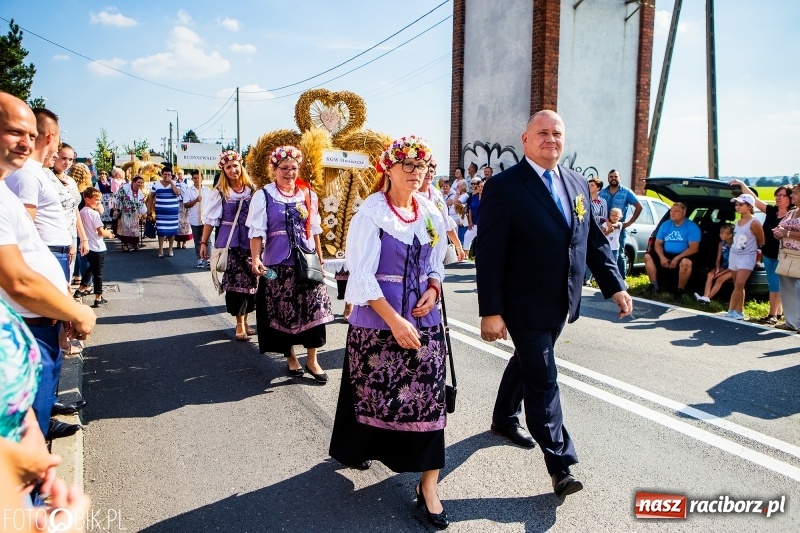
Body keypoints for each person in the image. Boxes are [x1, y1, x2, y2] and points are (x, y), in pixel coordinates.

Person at [476, 110, 631, 498]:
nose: (551, 139)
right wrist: (490, 310)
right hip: (522, 301)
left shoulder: (577, 184)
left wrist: (616, 285)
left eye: (557, 133)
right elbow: (490, 254)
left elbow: (591, 239)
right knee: (544, 377)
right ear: (526, 140)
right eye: (542, 132)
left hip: (562, 300)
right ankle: (560, 464)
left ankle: (503, 418)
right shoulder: (506, 187)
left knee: (528, 362)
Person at [329, 135, 450, 529]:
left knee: (430, 400)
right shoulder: (372, 213)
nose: (417, 174)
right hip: (379, 320)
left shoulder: (430, 212)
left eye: (422, 167)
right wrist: (394, 321)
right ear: (390, 169)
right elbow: (361, 275)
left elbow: (436, 262)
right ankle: (357, 446)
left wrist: (433, 288)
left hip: (425, 321)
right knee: (372, 394)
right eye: (408, 166)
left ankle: (428, 486)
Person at [0, 92, 96, 439]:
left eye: (31, 134)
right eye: (15, 132)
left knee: (33, 436)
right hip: (24, 325)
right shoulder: (20, 181)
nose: (27, 143)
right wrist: (77, 310)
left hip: (35, 320)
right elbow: (18, 278)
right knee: (24, 445)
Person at [248, 145, 334, 380]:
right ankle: (291, 357)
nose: (289, 172)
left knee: (313, 310)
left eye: (293, 168)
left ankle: (313, 361)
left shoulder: (308, 194)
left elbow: (314, 228)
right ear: (273, 169)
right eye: (284, 168)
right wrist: (256, 258)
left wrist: (319, 255)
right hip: (277, 263)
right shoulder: (263, 195)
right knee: (282, 312)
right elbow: (256, 232)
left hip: (305, 261)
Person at [5, 107, 73, 280]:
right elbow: (25, 228)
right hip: (48, 254)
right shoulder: (27, 172)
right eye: (58, 137)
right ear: (51, 137)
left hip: (54, 253)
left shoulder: (35, 170)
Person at [200, 150, 258, 341]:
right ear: (223, 170)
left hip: (250, 242)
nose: (233, 170)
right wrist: (203, 242)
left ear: (241, 166)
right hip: (230, 244)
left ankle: (246, 321)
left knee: (251, 284)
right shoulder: (219, 193)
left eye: (235, 166)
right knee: (236, 285)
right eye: (228, 167)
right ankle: (239, 324)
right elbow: (210, 220)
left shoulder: (253, 190)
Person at [729, 180, 793, 325]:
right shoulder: (771, 211)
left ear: (790, 198)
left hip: (782, 254)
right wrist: (741, 185)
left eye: (782, 195)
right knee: (772, 284)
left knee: (777, 285)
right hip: (768, 253)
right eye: (777, 195)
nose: (778, 197)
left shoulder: (793, 214)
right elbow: (755, 200)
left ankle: (772, 315)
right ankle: (777, 312)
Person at [643, 202, 701, 299]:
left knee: (686, 262)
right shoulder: (665, 225)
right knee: (647, 256)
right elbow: (658, 243)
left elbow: (693, 248)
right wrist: (662, 257)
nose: (672, 213)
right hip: (666, 253)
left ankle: (679, 290)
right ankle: (654, 286)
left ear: (684, 212)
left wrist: (677, 258)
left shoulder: (692, 227)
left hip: (684, 255)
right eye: (671, 211)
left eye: (676, 211)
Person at [724, 194, 765, 319]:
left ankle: (731, 310)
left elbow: (761, 240)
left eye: (741, 205)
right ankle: (739, 311)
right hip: (734, 255)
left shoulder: (755, 222)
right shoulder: (738, 222)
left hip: (747, 256)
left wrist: (751, 249)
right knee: (737, 283)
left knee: (740, 282)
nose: (738, 207)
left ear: (749, 206)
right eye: (736, 205)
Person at [75, 187, 114, 308]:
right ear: (87, 199)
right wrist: (109, 234)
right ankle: (98, 297)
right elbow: (100, 232)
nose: (99, 202)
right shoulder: (94, 214)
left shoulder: (81, 212)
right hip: (98, 247)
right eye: (96, 200)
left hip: (88, 246)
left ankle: (80, 290)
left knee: (91, 268)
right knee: (98, 273)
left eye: (100, 200)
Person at [598, 169, 642, 276]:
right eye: (611, 177)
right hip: (604, 228)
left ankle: (621, 280)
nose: (613, 179)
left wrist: (628, 223)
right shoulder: (602, 192)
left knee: (619, 254)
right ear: (608, 179)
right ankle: (605, 278)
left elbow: (639, 206)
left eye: (615, 177)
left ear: (620, 178)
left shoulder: (626, 192)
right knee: (603, 252)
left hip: (619, 229)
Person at [420, 161, 466, 262]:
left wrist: (458, 247)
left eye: (431, 171)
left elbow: (446, 221)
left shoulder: (437, 194)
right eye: (425, 171)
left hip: (437, 248)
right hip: (418, 247)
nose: (428, 174)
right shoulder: (411, 193)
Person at [773, 185, 800, 332]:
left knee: (799, 290)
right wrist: (778, 233)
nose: (792, 195)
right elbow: (780, 229)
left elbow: (786, 231)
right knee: (787, 290)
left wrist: (787, 233)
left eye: (795, 193)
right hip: (786, 256)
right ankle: (791, 322)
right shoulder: (791, 212)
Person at [147, 164, 181, 257]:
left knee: (172, 231)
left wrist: (171, 183)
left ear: (171, 175)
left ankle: (170, 249)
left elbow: (178, 193)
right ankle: (161, 249)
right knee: (161, 231)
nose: (167, 176)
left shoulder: (175, 183)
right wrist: (149, 209)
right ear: (162, 175)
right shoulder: (156, 184)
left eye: (169, 174)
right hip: (161, 212)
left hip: (172, 212)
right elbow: (151, 197)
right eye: (165, 174)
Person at [694, 224, 734, 303]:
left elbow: (734, 264)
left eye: (723, 233)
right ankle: (705, 296)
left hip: (733, 268)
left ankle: (706, 298)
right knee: (710, 274)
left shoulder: (735, 246)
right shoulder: (721, 244)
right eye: (720, 232)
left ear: (729, 235)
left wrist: (720, 273)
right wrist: (718, 268)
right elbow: (718, 259)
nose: (720, 234)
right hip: (724, 265)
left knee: (720, 279)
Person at [112, 175, 147, 252]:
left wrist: (144, 214)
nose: (140, 184)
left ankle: (135, 243)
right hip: (125, 212)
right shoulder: (125, 188)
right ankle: (124, 244)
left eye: (141, 183)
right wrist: (116, 209)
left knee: (135, 229)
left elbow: (142, 203)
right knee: (125, 228)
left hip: (134, 214)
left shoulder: (140, 192)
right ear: (133, 182)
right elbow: (116, 197)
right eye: (138, 182)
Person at [184, 169, 210, 268]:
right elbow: (186, 205)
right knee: (197, 240)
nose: (197, 179)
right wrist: (195, 200)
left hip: (206, 219)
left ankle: (208, 259)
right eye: (195, 178)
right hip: (195, 219)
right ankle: (199, 259)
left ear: (202, 178)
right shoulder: (189, 191)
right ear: (192, 179)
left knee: (207, 240)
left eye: (198, 177)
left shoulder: (207, 190)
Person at [585, 177, 609, 285]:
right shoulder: (584, 199)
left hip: (595, 230)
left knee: (592, 253)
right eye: (589, 185)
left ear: (598, 188)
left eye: (592, 185)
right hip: (584, 229)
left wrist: (592, 217)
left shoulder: (602, 202)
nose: (589, 187)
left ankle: (589, 278)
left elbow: (604, 218)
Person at [174, 168, 192, 250]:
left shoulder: (187, 182)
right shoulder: (174, 182)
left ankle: (184, 242)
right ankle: (178, 242)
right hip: (177, 204)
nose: (179, 175)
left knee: (185, 223)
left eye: (181, 174)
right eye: (178, 174)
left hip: (185, 204)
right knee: (178, 223)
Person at [463, 177, 482, 253]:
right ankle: (464, 256)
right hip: (475, 223)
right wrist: (470, 222)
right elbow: (470, 209)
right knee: (467, 236)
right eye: (478, 186)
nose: (479, 188)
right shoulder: (473, 197)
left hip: (484, 224)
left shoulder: (487, 197)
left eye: (482, 186)